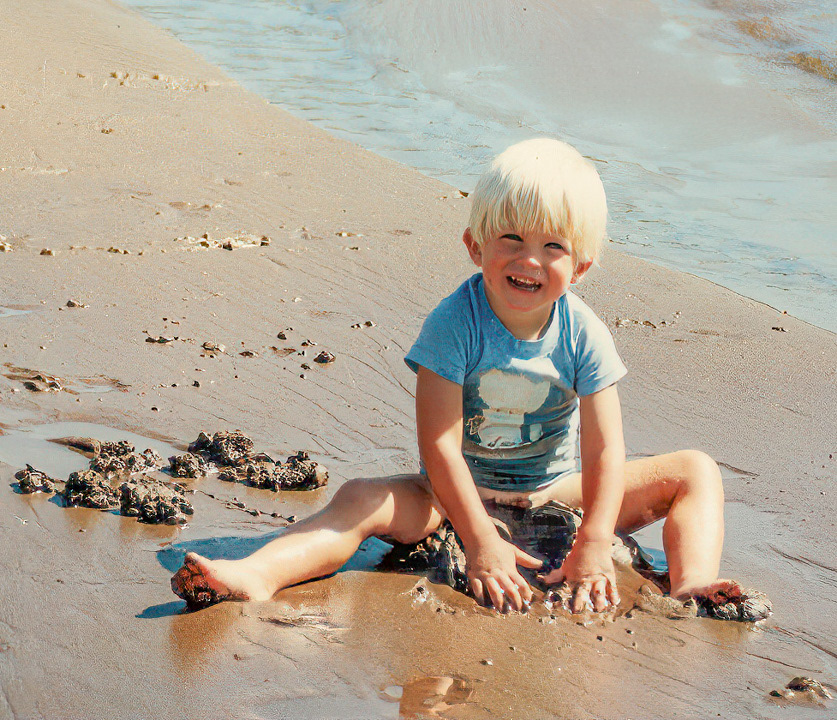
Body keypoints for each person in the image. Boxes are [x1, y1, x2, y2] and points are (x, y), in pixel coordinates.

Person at [172, 138, 751, 616]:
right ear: (476, 246)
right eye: (512, 239)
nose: (529, 259)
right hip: (449, 496)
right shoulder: (455, 324)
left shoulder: (584, 333)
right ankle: (255, 573)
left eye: (553, 246)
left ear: (580, 266)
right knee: (360, 497)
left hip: (553, 491)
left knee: (695, 471)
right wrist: (477, 540)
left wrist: (596, 539)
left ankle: (692, 584)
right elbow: (439, 445)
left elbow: (604, 450)